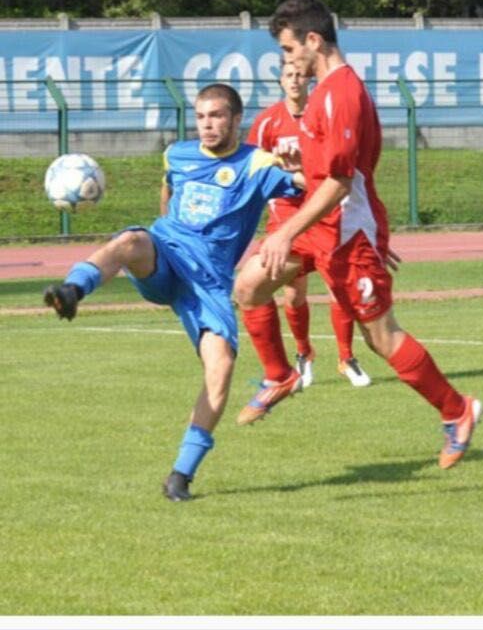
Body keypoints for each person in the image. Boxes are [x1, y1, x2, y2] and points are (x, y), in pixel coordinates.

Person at [234, 0, 482, 470]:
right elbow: (326, 172)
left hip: (347, 233)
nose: (287, 61)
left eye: (289, 50)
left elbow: (343, 182)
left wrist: (289, 233)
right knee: (248, 286)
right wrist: (294, 167)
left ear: (313, 40)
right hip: (319, 225)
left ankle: (458, 410)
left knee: (381, 338)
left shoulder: (342, 93)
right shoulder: (324, 93)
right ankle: (280, 375)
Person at [44, 83, 304, 501]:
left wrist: (299, 164)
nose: (207, 124)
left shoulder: (256, 163)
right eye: (201, 116)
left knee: (220, 371)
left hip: (210, 285)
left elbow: (310, 186)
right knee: (132, 241)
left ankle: (180, 475)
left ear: (237, 120)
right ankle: (73, 290)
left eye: (217, 115)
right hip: (165, 257)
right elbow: (168, 190)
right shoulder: (177, 154)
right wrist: (167, 231)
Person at [247, 59, 371, 388]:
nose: (295, 80)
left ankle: (346, 358)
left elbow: (337, 163)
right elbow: (253, 165)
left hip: (324, 212)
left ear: (309, 79)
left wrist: (308, 171)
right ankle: (303, 353)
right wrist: (288, 173)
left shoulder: (321, 115)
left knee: (339, 287)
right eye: (289, 75)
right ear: (280, 81)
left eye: (301, 74)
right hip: (287, 214)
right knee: (293, 291)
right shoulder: (267, 121)